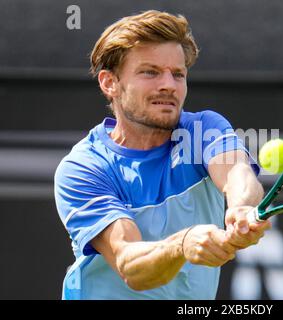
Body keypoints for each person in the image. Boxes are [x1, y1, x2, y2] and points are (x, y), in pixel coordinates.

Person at [54, 10, 271, 300]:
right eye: (150, 72)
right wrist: (181, 244)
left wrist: (241, 208)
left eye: (178, 74)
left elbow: (235, 173)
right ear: (110, 83)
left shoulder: (202, 130)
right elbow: (129, 264)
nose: (169, 84)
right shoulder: (84, 168)